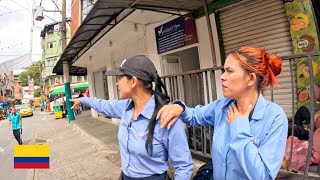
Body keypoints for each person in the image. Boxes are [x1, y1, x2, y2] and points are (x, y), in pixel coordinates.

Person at [158, 47, 288, 180]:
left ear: (250, 78)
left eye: (229, 71)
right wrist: (179, 108)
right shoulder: (223, 106)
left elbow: (263, 176)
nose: (222, 77)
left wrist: (239, 128)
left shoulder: (274, 118)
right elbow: (195, 115)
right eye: (224, 70)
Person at [70, 55, 193, 179]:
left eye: (119, 78)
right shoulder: (126, 107)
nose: (117, 83)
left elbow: (183, 166)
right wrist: (82, 100)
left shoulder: (166, 116)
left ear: (133, 81)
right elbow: (103, 105)